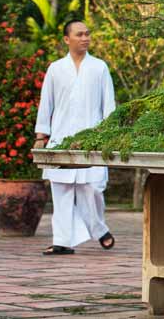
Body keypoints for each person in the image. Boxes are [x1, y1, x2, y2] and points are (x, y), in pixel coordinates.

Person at [34, 19, 117, 255]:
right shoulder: (55, 68)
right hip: (60, 139)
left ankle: (99, 229)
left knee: (92, 188)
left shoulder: (99, 67)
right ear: (66, 39)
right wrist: (41, 135)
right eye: (80, 34)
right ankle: (62, 241)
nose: (85, 38)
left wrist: (109, 136)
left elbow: (108, 104)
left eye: (87, 34)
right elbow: (46, 104)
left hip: (92, 140)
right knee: (61, 190)